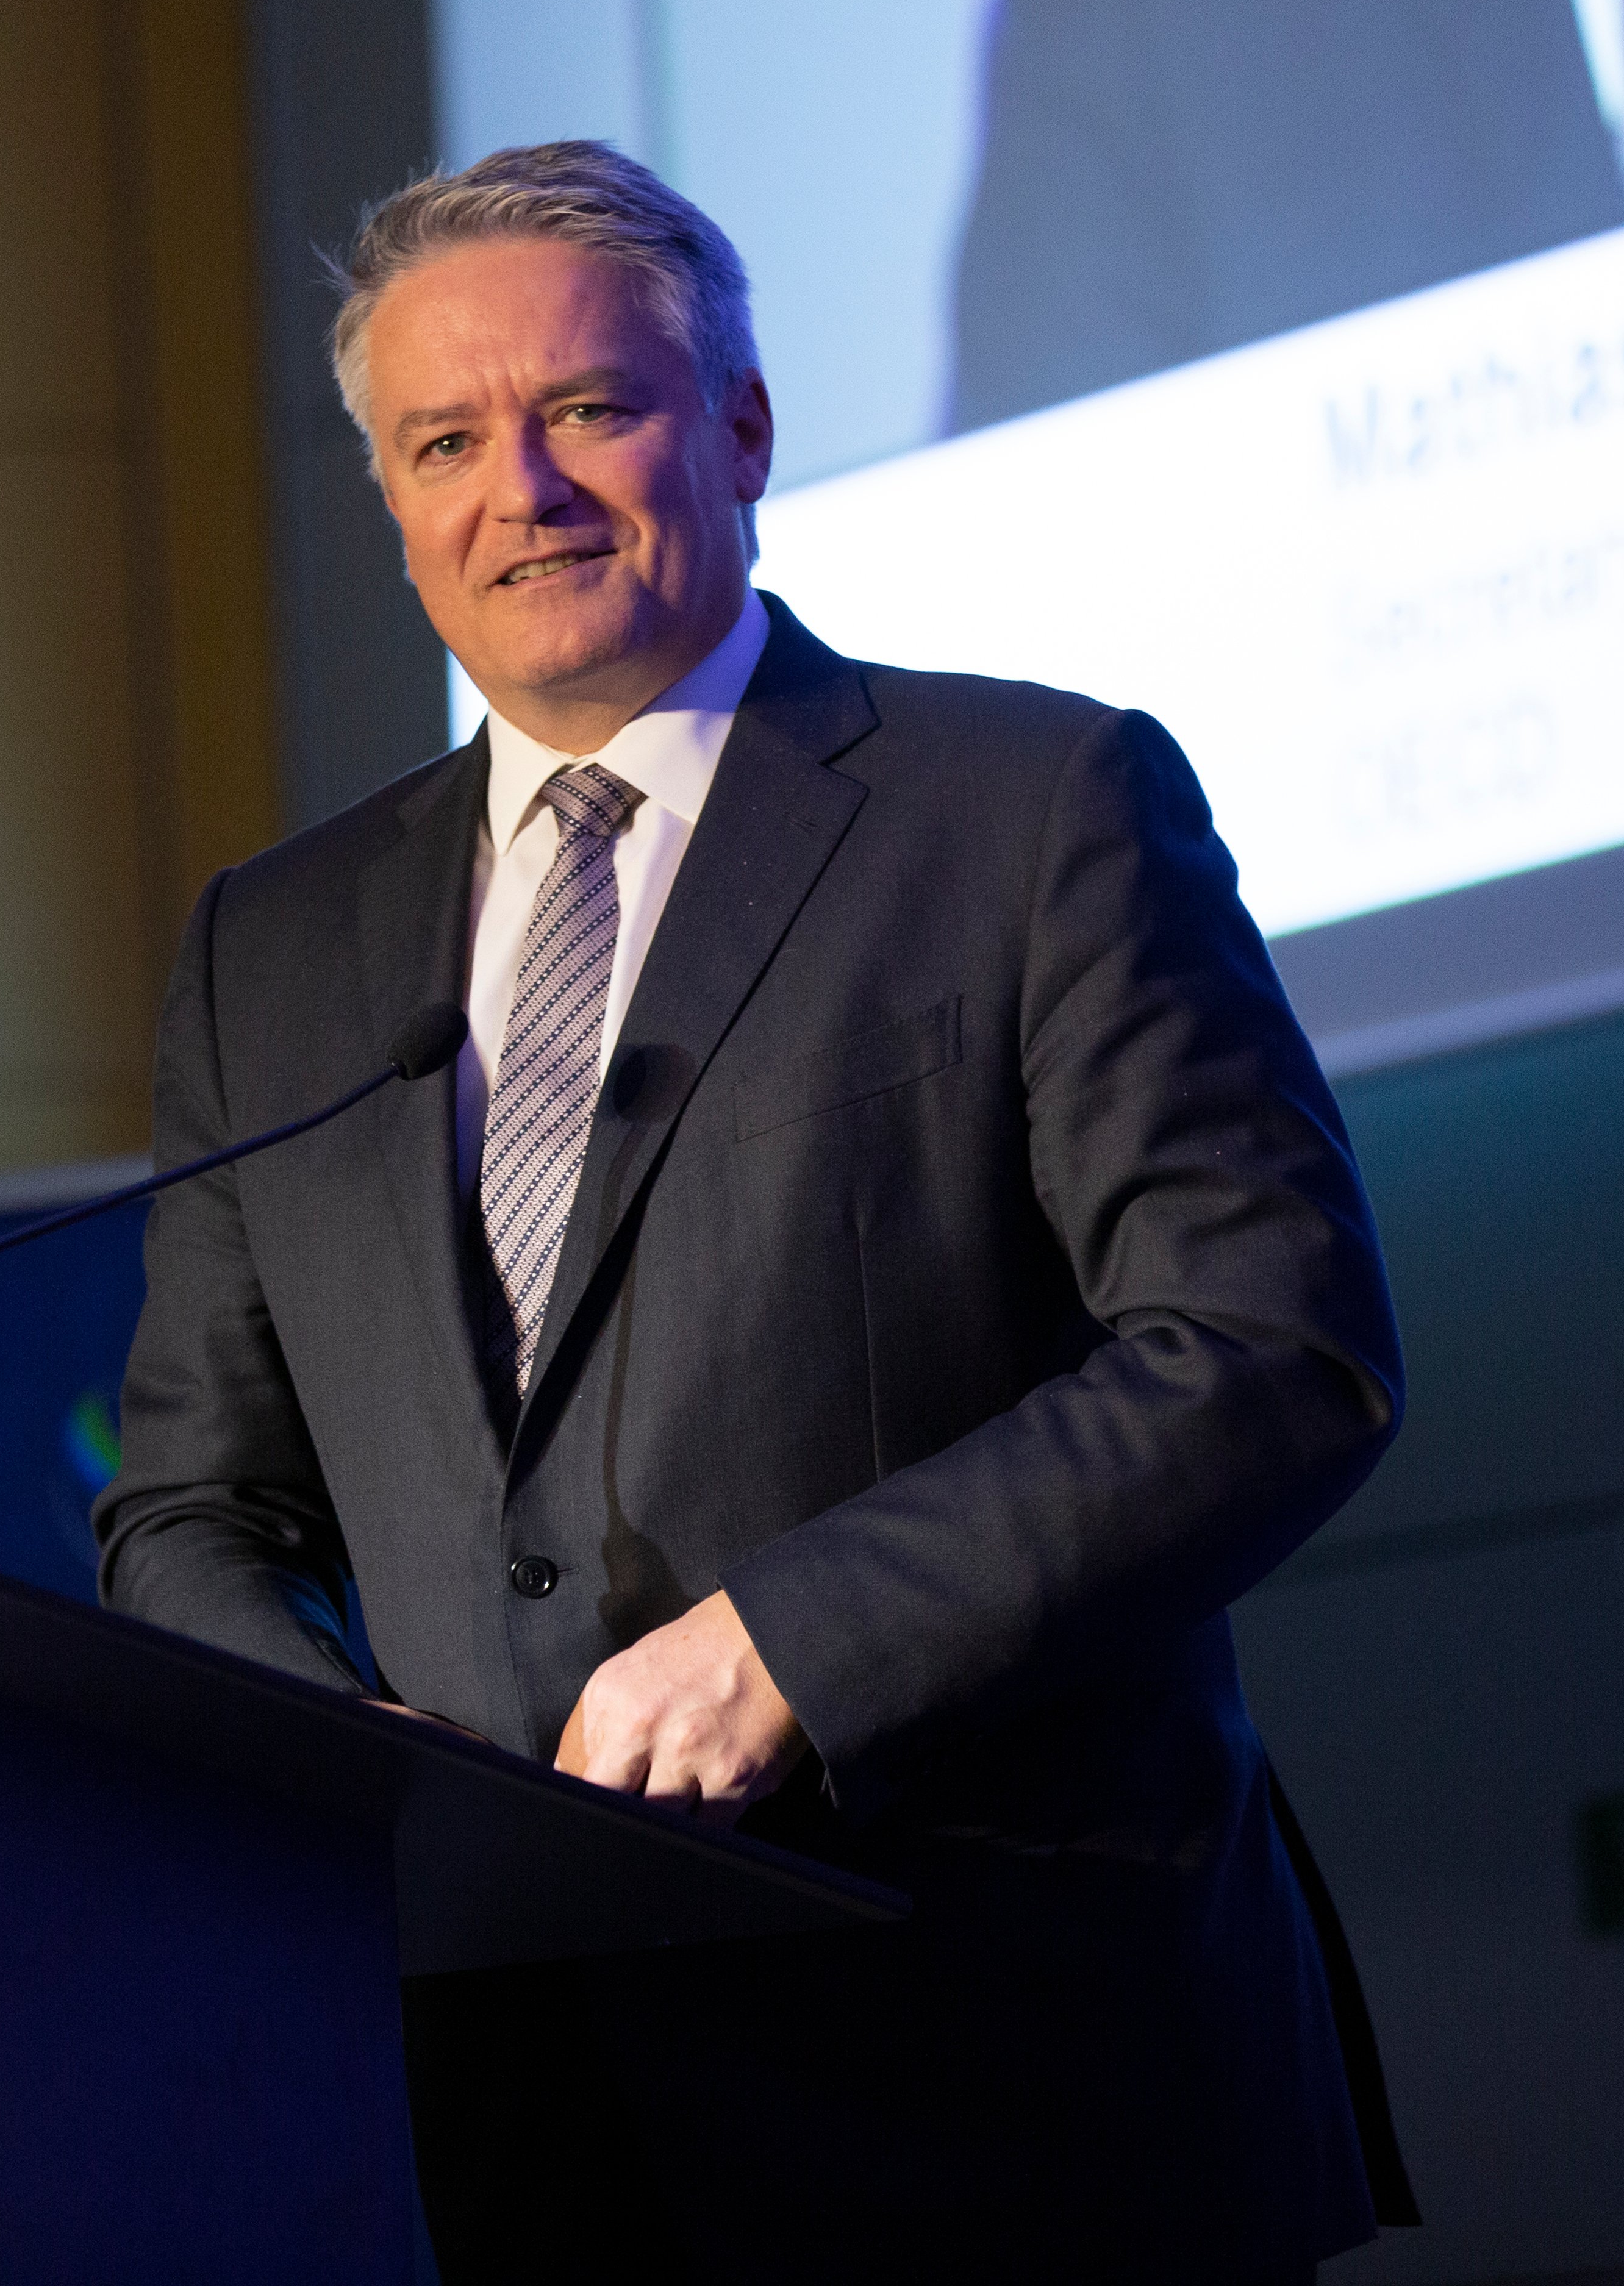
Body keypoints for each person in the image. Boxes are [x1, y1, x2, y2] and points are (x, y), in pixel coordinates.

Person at [93, 141, 1414, 2282]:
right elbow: (188, 1515)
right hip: (497, 2127)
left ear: (743, 428)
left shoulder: (1031, 811)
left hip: (999, 2085)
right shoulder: (279, 947)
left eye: (589, 409)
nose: (520, 487)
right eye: (446, 442)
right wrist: (345, 1769)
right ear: (399, 512)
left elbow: (1269, 1349)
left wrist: (797, 1641)